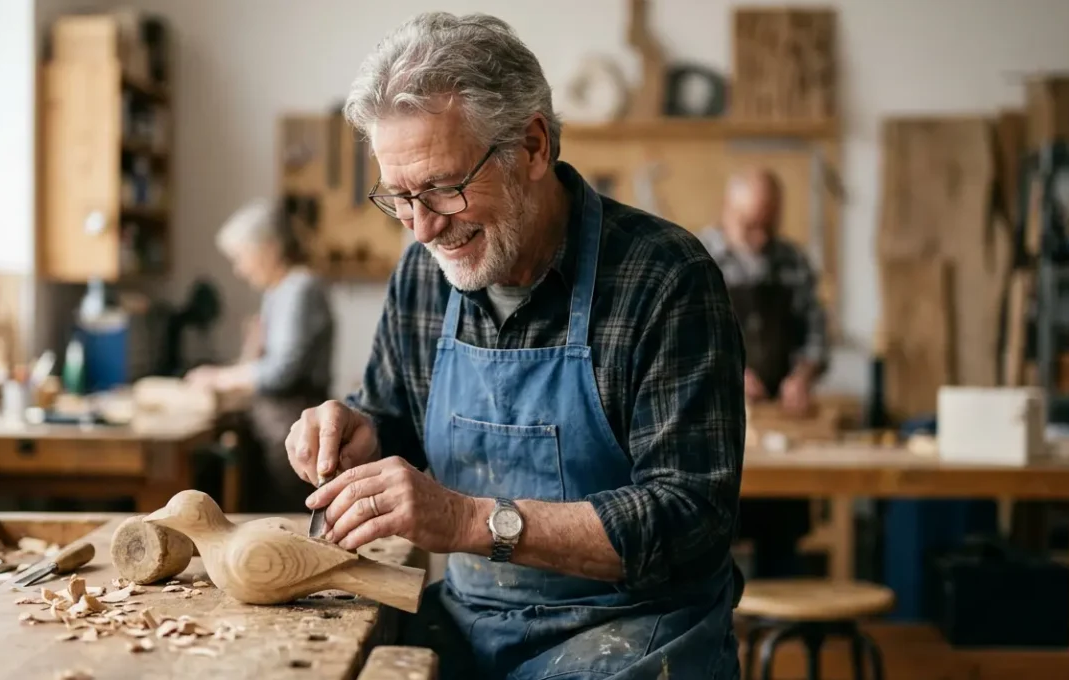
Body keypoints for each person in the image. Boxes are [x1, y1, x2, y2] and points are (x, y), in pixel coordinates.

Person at [282, 13, 746, 679]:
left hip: (640, 632)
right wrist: (359, 432)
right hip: (476, 621)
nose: (423, 229)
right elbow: (395, 421)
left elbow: (691, 520)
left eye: (443, 188)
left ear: (533, 147)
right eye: (401, 197)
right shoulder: (423, 274)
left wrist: (474, 522)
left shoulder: (665, 280)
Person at [699, 169, 831, 578]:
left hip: (780, 426)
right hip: (714, 429)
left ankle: (779, 625)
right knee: (711, 539)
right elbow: (683, 339)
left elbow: (816, 335)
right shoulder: (696, 258)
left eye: (768, 225)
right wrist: (727, 372)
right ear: (727, 211)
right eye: (749, 225)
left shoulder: (792, 262)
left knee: (783, 539)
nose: (759, 237)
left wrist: (802, 376)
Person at [187, 198, 335, 512]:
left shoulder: (300, 289)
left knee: (288, 520)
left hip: (292, 429)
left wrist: (219, 377)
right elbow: (262, 361)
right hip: (272, 427)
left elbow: (281, 373)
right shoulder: (277, 291)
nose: (240, 270)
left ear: (268, 248)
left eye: (242, 257)